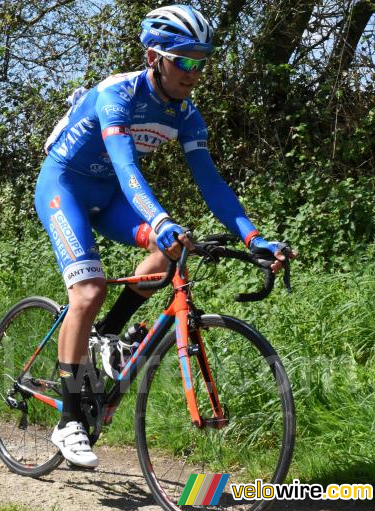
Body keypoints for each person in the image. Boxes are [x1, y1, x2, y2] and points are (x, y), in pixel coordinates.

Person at [34, 4, 296, 468]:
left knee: (167, 254)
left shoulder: (186, 114)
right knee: (89, 289)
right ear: (154, 56)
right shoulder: (118, 93)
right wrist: (160, 219)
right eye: (185, 60)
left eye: (202, 61)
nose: (194, 72)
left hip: (112, 197)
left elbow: (212, 184)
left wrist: (255, 238)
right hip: (65, 188)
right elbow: (125, 164)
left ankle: (110, 335)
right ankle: (68, 420)